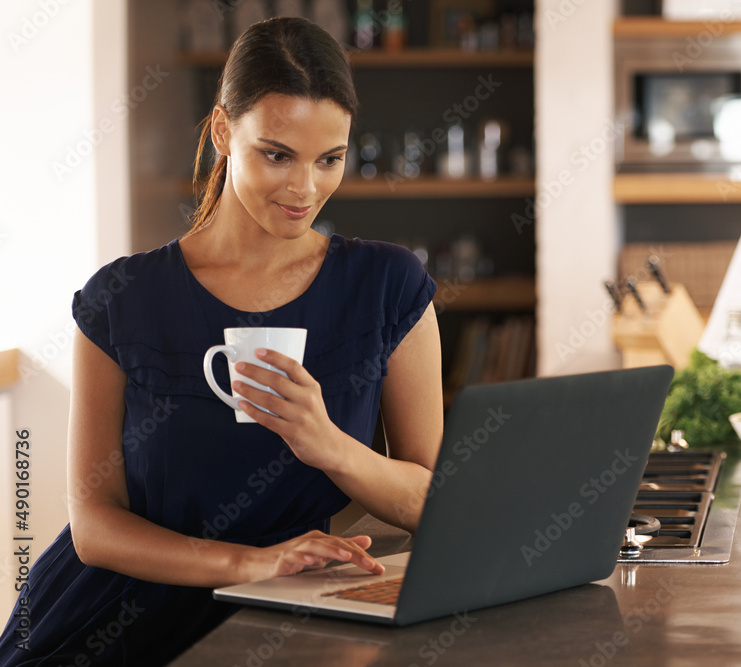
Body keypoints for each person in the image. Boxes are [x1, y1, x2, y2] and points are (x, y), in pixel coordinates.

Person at [0, 16, 443, 665]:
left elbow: (431, 504)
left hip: (287, 626)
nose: (305, 188)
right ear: (220, 132)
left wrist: (329, 446)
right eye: (277, 154)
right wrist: (252, 563)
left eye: (330, 159)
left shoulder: (389, 285)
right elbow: (94, 526)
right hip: (106, 624)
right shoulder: (120, 300)